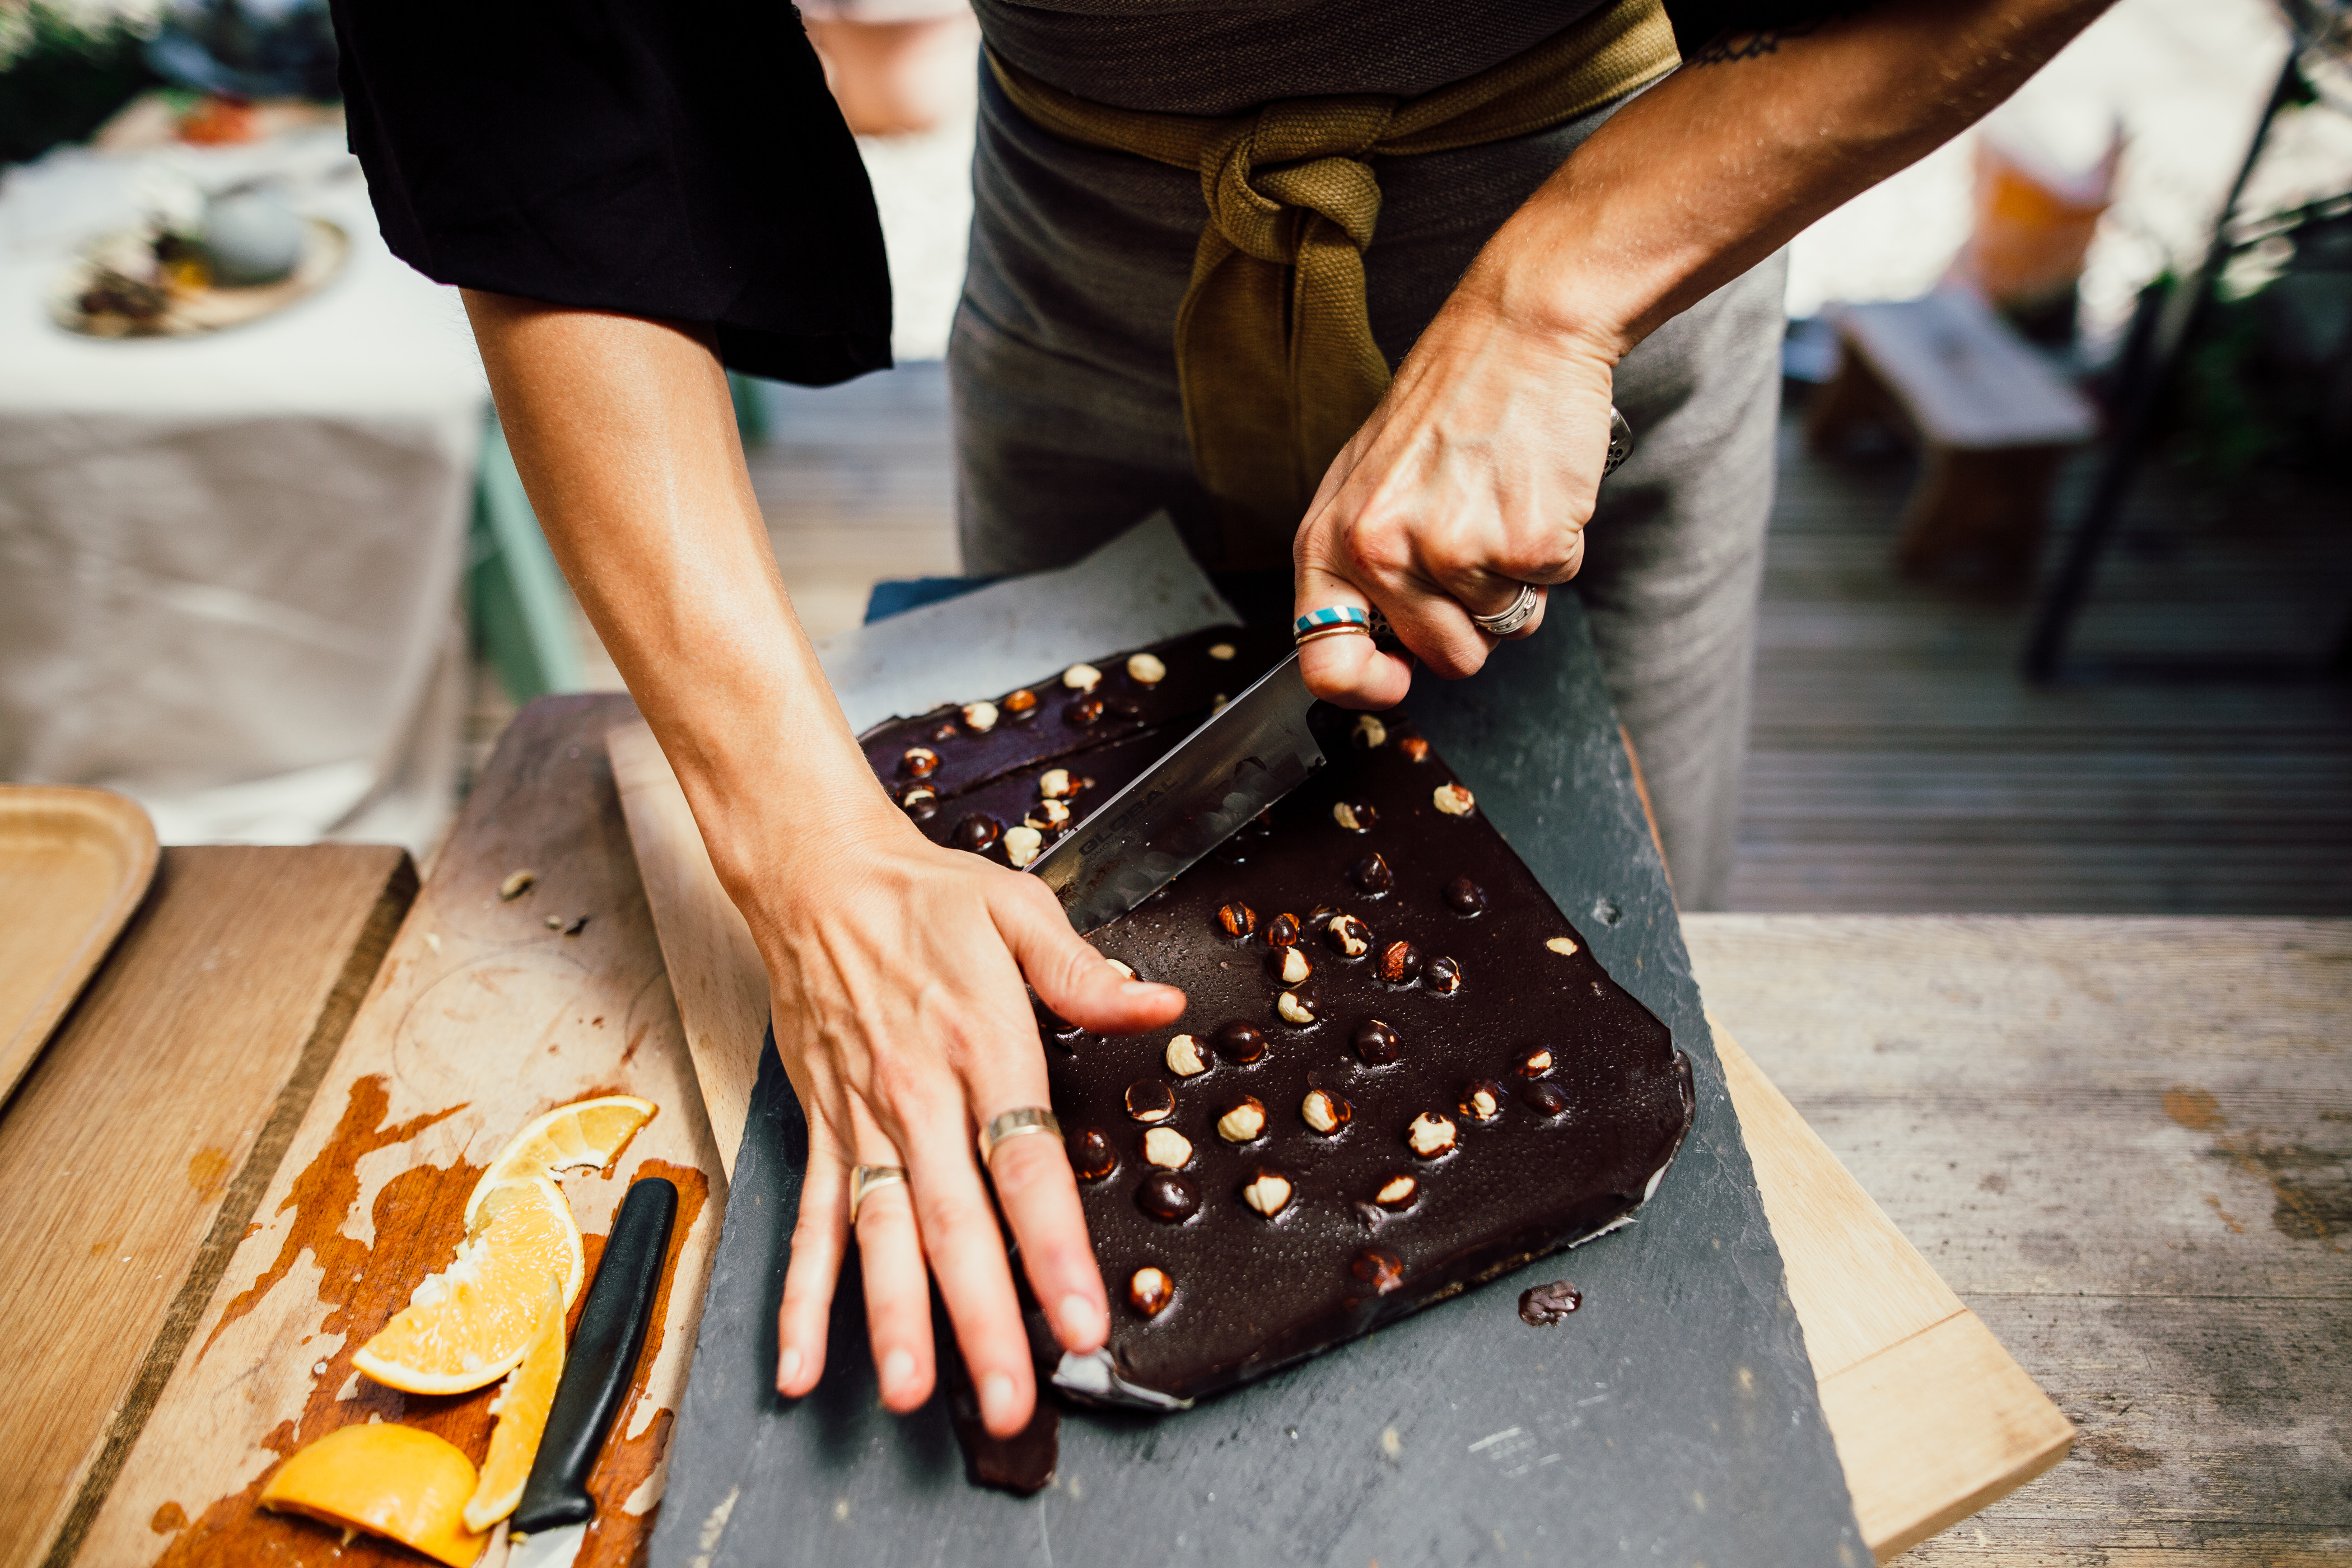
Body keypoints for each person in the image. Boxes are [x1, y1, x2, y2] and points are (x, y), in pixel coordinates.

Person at [331, 0, 2112, 1444]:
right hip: (1085, 271)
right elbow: (536, 93)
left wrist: (1554, 292)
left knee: (1615, 1028)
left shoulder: (1594, 294)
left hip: (1631, 254)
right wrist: (806, 851)